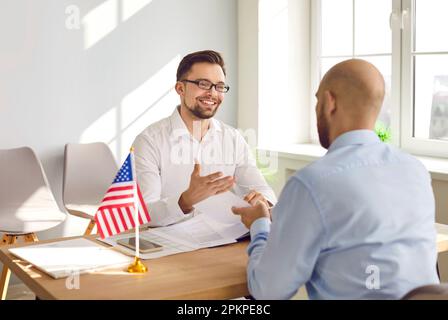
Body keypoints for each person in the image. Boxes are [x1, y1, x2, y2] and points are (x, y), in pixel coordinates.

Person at [232, 59, 440, 299]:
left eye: (317, 100)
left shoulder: (312, 183)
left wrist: (260, 226)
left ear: (330, 102)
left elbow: (267, 292)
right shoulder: (414, 169)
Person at [133, 50, 276, 227]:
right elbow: (143, 214)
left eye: (219, 86)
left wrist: (262, 202)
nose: (213, 93)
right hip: (171, 243)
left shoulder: (233, 138)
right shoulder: (149, 141)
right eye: (203, 84)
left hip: (224, 239)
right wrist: (185, 201)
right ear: (180, 88)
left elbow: (262, 189)